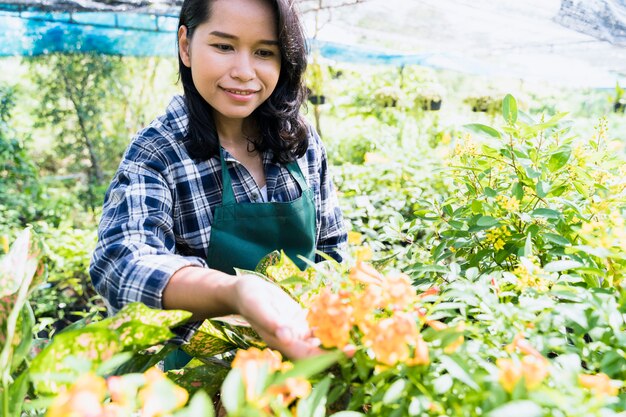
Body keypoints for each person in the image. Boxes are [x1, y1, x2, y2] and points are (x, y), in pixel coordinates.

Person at [89, 0, 347, 366]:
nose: (244, 71)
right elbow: (121, 262)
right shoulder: (159, 152)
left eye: (264, 52)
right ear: (186, 46)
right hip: (194, 378)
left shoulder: (301, 144)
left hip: (301, 361)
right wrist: (235, 291)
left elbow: (332, 251)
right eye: (224, 46)